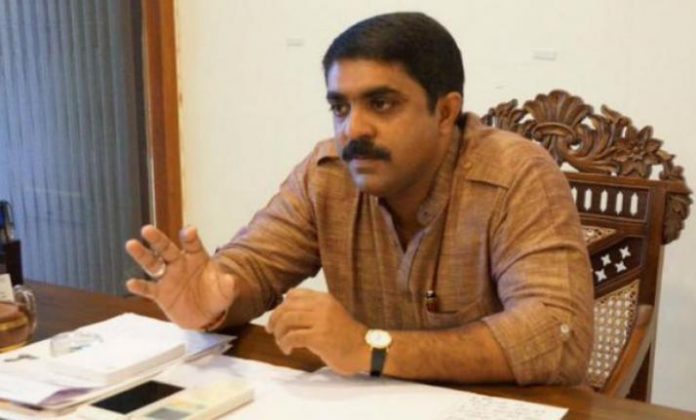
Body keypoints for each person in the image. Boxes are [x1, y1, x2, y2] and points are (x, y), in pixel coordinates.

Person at [125, 12, 593, 385]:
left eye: (382, 104)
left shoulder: (517, 175)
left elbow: (558, 337)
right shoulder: (327, 174)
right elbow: (255, 265)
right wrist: (214, 298)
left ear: (445, 112)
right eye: (340, 107)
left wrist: (372, 348)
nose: (353, 128)